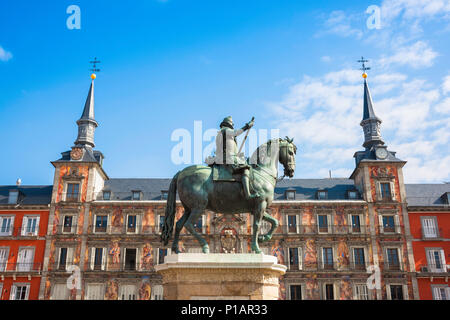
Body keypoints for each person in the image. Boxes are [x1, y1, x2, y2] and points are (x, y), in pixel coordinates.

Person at [215, 116, 260, 199]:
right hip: (227, 158)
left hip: (228, 156)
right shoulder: (225, 130)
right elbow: (236, 132)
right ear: (229, 124)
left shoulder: (223, 133)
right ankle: (248, 195)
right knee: (245, 169)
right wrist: (247, 126)